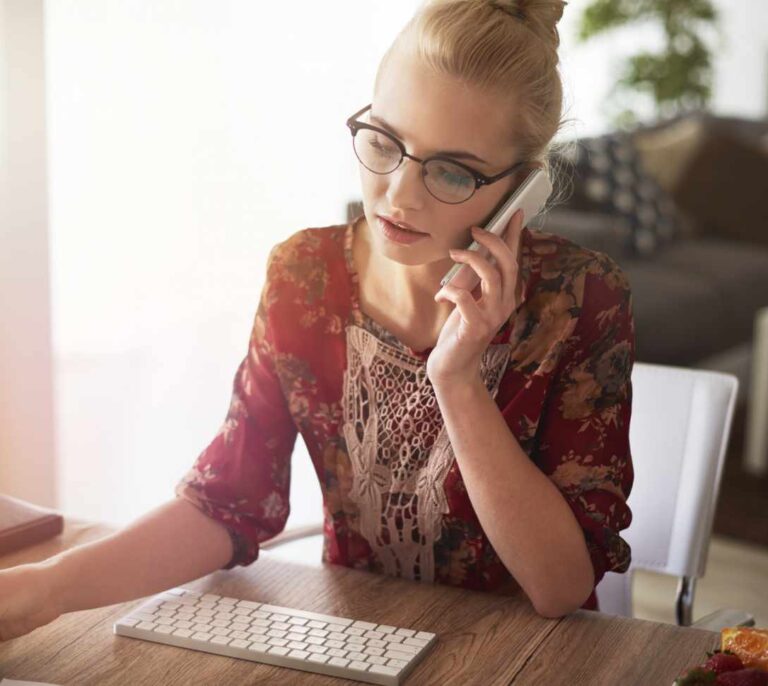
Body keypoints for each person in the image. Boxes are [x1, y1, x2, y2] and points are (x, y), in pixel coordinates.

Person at [0, 0, 634, 642]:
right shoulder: (304, 276)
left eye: (451, 170)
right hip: (351, 645)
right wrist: (47, 588)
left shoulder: (581, 299)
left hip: (531, 658)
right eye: (385, 142)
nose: (399, 194)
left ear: (519, 189)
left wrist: (457, 380)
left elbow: (561, 589)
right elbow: (228, 506)